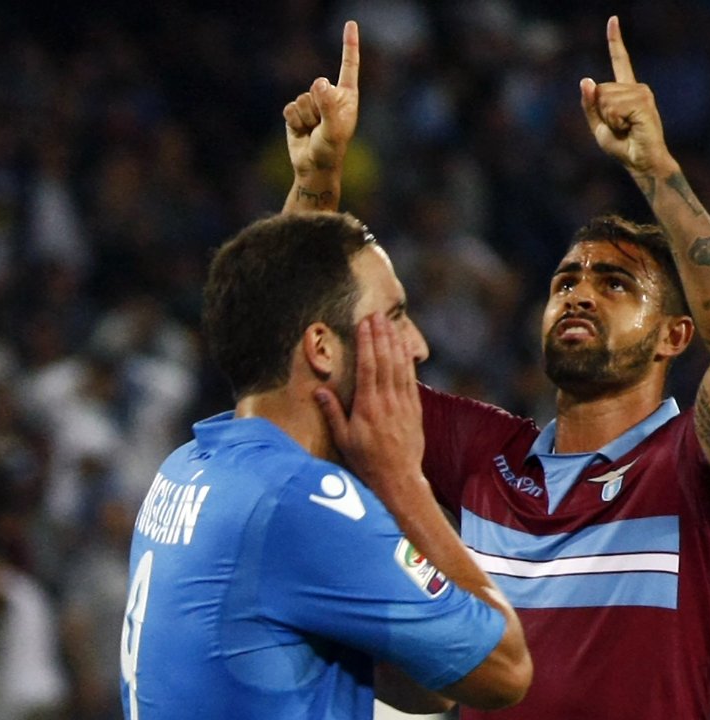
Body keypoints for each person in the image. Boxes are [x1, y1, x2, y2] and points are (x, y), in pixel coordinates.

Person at [285, 16, 710, 719]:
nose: (580, 290)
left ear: (678, 335)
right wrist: (316, 184)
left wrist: (656, 169)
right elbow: (307, 373)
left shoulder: (692, 469)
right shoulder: (485, 455)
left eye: (615, 284)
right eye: (565, 281)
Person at [120, 30, 531, 715]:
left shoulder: (194, 469)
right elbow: (505, 670)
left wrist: (315, 183)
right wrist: (402, 480)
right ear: (321, 349)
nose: (419, 346)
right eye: (395, 317)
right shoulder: (301, 506)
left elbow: (275, 308)